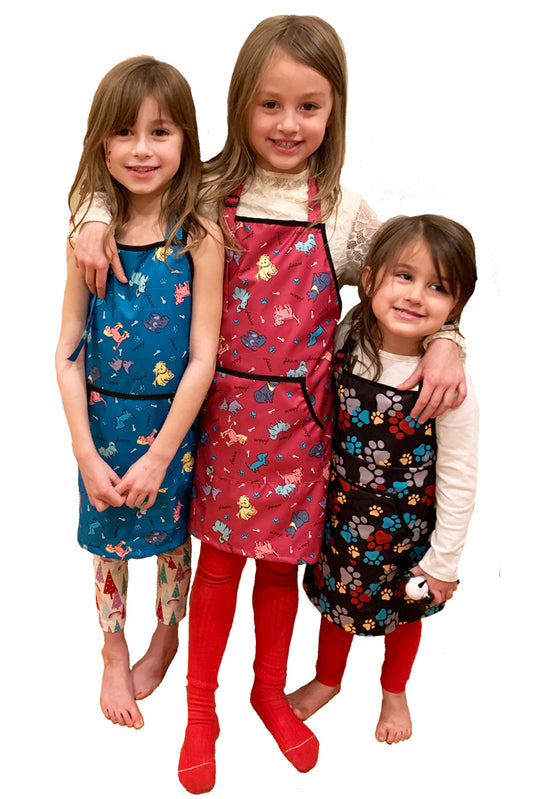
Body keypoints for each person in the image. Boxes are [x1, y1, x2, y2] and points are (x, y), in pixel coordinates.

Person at [71, 16, 467, 792]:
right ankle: (201, 708)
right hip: (218, 423)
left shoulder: (342, 213)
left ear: (334, 109)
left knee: (280, 573)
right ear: (238, 105)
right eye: (269, 105)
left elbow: (414, 282)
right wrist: (89, 215)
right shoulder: (205, 191)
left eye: (308, 106)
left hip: (300, 433)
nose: (288, 124)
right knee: (219, 569)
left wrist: (450, 336)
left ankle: (266, 690)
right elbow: (119, 180)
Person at [55, 56, 224, 732]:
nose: (142, 149)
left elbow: (203, 356)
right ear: (103, 143)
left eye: (161, 131)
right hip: (103, 420)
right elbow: (67, 351)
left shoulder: (200, 237)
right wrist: (84, 450)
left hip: (172, 427)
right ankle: (113, 646)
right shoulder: (86, 242)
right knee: (110, 540)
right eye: (125, 132)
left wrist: (160, 454)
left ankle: (167, 632)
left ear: (186, 140)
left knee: (174, 540)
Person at [288, 214, 478, 746]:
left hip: (408, 532)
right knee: (337, 605)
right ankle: (328, 680)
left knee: (405, 613)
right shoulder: (349, 336)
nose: (416, 295)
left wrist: (443, 562)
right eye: (405, 276)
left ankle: (394, 690)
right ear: (370, 279)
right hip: (343, 519)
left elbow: (460, 477)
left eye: (438, 287)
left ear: (456, 306)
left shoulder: (448, 386)